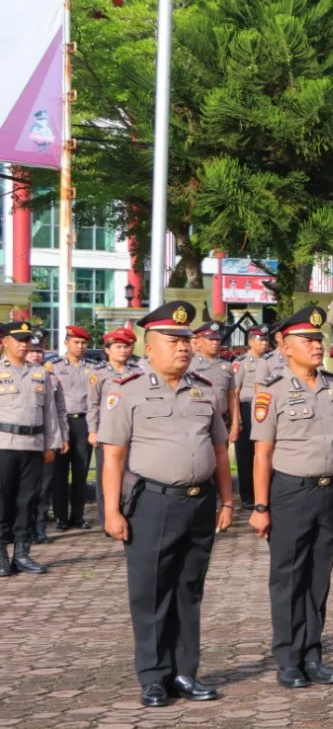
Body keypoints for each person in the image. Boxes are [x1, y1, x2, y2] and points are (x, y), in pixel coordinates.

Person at [98, 301, 233, 707]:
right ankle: (154, 676)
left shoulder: (204, 389)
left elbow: (220, 450)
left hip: (199, 502)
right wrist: (110, 511)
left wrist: (227, 500)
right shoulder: (128, 391)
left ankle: (185, 672)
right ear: (150, 346)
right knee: (151, 591)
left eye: (186, 340)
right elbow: (113, 458)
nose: (184, 347)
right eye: (173, 340)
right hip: (152, 503)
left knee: (189, 590)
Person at [247, 306, 333, 689]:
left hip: (329, 491)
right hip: (290, 493)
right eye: (307, 340)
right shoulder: (271, 392)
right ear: (286, 346)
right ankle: (288, 659)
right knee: (289, 579)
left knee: (318, 579)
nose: (316, 346)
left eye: (319, 340)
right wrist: (260, 506)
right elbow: (262, 454)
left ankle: (312, 654)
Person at [0, 322, 62, 574]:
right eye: (19, 340)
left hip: (34, 445)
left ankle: (22, 553)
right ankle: (2, 553)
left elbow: (50, 413)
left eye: (27, 340)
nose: (25, 344)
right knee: (3, 500)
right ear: (5, 342)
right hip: (4, 445)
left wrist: (52, 444)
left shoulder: (40, 373)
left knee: (28, 500)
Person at [88, 327, 140, 517]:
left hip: (134, 432)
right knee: (107, 476)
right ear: (108, 350)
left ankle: (128, 513)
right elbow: (92, 404)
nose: (123, 350)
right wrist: (93, 430)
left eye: (126, 346)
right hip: (108, 432)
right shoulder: (98, 373)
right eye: (118, 346)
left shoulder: (138, 372)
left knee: (132, 474)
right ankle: (107, 517)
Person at [50, 325, 95, 530]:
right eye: (76, 342)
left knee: (81, 471)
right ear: (66, 343)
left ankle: (77, 516)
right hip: (62, 421)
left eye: (84, 343)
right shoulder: (54, 367)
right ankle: (61, 517)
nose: (80, 346)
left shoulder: (94, 367)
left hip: (83, 423)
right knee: (59, 473)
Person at [232, 326, 274, 510]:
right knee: (245, 454)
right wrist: (238, 418)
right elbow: (234, 392)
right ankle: (247, 496)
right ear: (250, 342)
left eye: (266, 340)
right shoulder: (241, 363)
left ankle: (263, 492)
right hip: (247, 407)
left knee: (264, 451)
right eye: (260, 340)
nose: (264, 343)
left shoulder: (270, 361)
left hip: (265, 407)